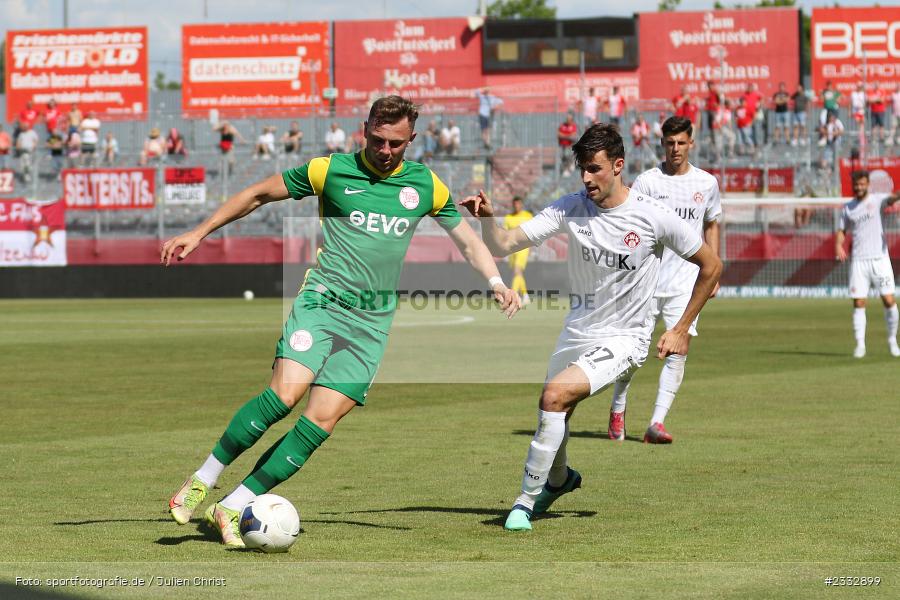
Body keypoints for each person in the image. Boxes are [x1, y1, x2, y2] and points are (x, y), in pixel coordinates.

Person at [161, 95, 520, 547]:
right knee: (284, 396)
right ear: (363, 128)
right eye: (376, 139)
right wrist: (199, 232)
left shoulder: (425, 185)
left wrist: (495, 281)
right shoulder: (328, 170)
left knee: (321, 421)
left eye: (395, 143)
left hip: (370, 325)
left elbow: (469, 241)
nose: (384, 150)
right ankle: (201, 480)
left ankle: (231, 506)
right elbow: (256, 195)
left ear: (412, 138)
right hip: (323, 302)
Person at [459, 123, 721, 531]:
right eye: (582, 168)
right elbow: (503, 245)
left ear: (618, 166)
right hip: (576, 330)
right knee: (554, 411)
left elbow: (711, 266)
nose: (586, 177)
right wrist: (489, 218)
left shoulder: (653, 216)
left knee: (555, 396)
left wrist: (682, 327)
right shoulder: (570, 207)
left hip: (626, 337)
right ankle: (561, 480)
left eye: (594, 168)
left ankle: (523, 504)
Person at [607, 116, 721, 444]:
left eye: (681, 143)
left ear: (691, 144)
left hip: (686, 283)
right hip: (646, 280)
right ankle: (618, 407)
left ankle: (656, 423)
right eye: (670, 143)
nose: (675, 149)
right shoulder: (647, 183)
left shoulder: (706, 183)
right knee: (634, 353)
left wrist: (712, 269)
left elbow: (712, 223)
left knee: (679, 348)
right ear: (662, 144)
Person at [835, 171, 900, 358]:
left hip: (880, 259)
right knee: (859, 302)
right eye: (856, 184)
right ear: (853, 185)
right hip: (859, 261)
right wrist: (839, 245)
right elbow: (841, 230)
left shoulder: (878, 200)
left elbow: (894, 198)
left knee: (888, 300)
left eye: (862, 184)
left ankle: (892, 341)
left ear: (868, 184)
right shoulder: (848, 208)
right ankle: (860, 345)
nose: (859, 187)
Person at [503, 196, 533, 304]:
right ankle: (525, 295)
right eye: (515, 204)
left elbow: (533, 232)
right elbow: (505, 234)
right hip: (512, 249)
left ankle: (513, 295)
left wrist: (531, 246)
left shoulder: (528, 216)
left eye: (518, 204)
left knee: (517, 271)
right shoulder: (508, 218)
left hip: (523, 248)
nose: (516, 206)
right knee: (518, 273)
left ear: (521, 204)